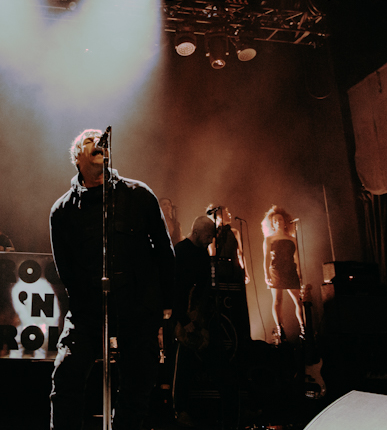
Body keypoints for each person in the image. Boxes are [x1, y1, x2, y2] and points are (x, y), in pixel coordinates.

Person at [49, 128, 175, 430]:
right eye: (88, 140)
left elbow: (163, 250)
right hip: (89, 311)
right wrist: (83, 305)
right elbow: (64, 268)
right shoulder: (62, 210)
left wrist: (167, 304)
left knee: (137, 386)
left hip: (137, 307)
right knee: (66, 377)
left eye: (100, 138)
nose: (97, 142)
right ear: (77, 156)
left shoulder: (138, 195)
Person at [171, 216, 215, 427]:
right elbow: (175, 288)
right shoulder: (180, 251)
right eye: (208, 236)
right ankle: (180, 409)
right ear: (196, 232)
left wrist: (201, 314)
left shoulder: (204, 253)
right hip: (182, 317)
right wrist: (182, 318)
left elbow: (205, 286)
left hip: (198, 314)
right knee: (182, 365)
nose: (211, 240)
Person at [260, 205, 304, 344]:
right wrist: (266, 274)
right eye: (275, 220)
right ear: (272, 223)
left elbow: (297, 258)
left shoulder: (292, 238)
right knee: (278, 300)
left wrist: (299, 273)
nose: (278, 222)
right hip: (277, 270)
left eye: (280, 219)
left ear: (285, 221)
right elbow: (266, 258)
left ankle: (303, 328)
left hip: (291, 270)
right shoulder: (268, 239)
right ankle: (280, 329)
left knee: (299, 301)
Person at [206, 204, 247, 284]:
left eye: (228, 212)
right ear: (218, 217)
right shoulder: (213, 232)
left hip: (234, 267)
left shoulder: (235, 232)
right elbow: (212, 254)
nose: (229, 214)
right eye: (226, 213)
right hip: (220, 268)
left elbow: (240, 253)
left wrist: (245, 271)